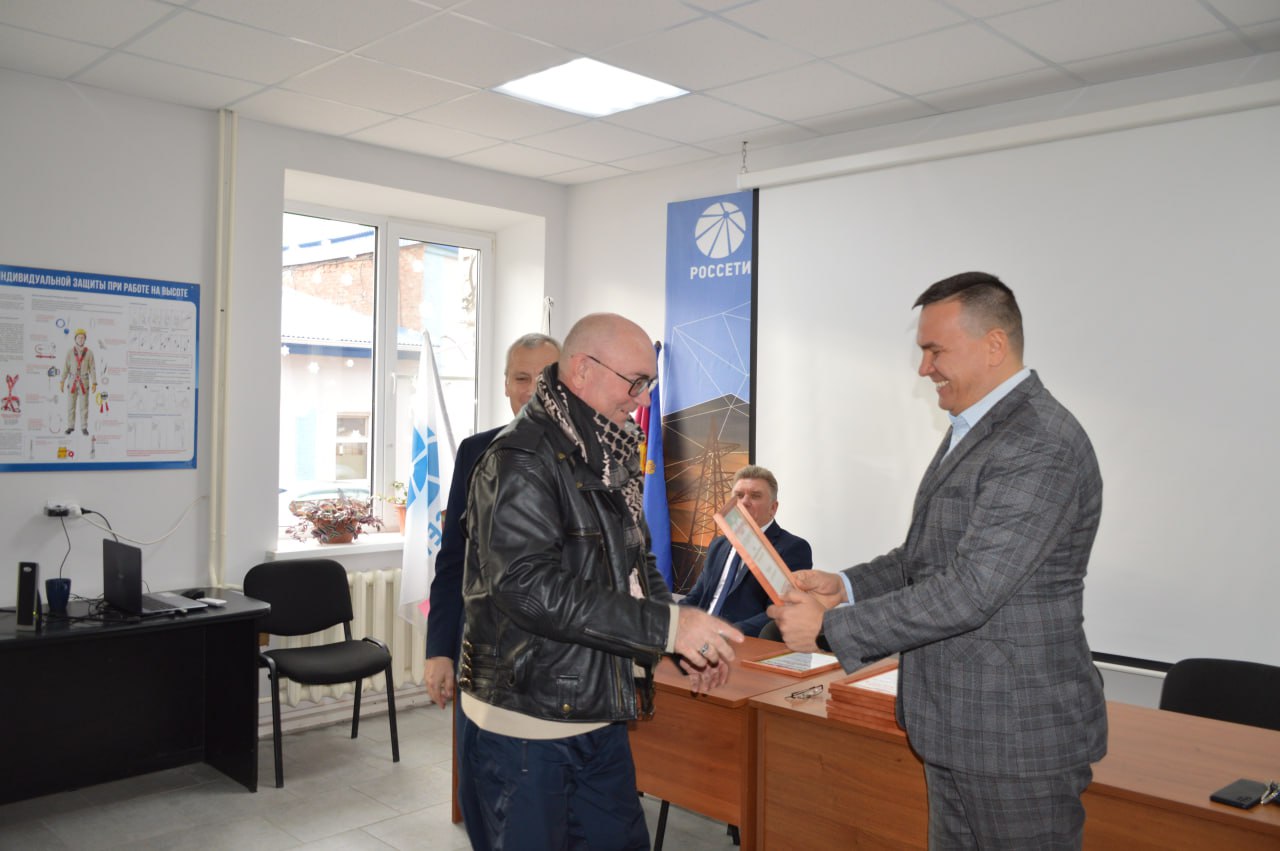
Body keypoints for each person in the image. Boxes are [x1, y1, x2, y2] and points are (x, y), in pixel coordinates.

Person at [769, 272, 1107, 849]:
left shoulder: (1038, 442)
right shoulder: (977, 429)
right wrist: (844, 585)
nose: (924, 369)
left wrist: (830, 628)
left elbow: (971, 590)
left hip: (1014, 738)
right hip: (959, 727)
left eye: (935, 351)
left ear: (994, 345)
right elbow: (923, 558)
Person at [458, 312, 744, 851]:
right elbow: (527, 588)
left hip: (597, 711)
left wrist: (680, 640)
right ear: (583, 370)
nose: (642, 399)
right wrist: (667, 628)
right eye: (634, 382)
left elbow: (637, 564)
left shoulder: (607, 449)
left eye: (648, 384)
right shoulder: (521, 457)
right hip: (527, 729)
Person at [423, 332, 562, 709]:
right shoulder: (475, 452)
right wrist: (439, 650)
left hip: (558, 664)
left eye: (544, 378)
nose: (532, 390)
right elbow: (454, 560)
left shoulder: (591, 460)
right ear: (506, 385)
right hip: (481, 657)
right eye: (521, 378)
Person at [680, 464, 812, 637]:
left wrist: (722, 633)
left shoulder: (791, 548)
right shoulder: (719, 545)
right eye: (739, 495)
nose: (744, 502)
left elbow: (781, 611)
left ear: (773, 508)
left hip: (741, 642)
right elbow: (697, 597)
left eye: (755, 496)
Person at [61, 328, 96, 435]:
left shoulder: (89, 353)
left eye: (82, 337)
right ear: (75, 339)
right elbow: (66, 367)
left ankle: (84, 427)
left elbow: (92, 368)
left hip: (84, 382)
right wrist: (62, 381)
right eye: (79, 337)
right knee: (71, 405)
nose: (81, 339)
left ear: (85, 339)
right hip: (72, 381)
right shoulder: (70, 352)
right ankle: (70, 426)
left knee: (84, 406)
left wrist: (94, 382)